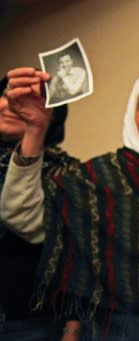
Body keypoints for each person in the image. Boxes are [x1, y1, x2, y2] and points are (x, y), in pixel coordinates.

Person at [1, 69, 139, 340]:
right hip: (113, 329)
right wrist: (36, 131)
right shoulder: (96, 177)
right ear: (132, 115)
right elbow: (23, 217)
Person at [0, 74, 81, 341]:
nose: (13, 105)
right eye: (7, 95)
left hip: (33, 324)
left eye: (29, 99)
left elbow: (81, 261)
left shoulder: (69, 173)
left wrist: (73, 326)